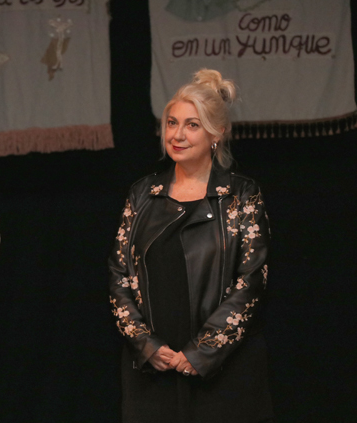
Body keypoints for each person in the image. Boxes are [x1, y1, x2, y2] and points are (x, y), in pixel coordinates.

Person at [108, 69, 273, 423]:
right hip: (154, 370)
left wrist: (202, 352)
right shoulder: (142, 193)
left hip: (224, 371)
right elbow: (119, 275)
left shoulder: (241, 195)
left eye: (192, 125)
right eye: (172, 123)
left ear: (217, 132)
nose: (177, 135)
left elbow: (251, 282)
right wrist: (146, 345)